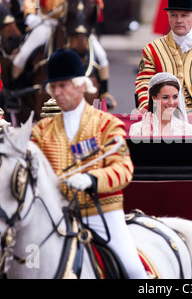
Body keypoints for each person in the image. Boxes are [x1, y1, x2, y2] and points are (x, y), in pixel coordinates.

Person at [31, 48, 147, 279]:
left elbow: (124, 169)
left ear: (81, 85)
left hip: (101, 214)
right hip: (54, 217)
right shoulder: (41, 130)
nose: (57, 92)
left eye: (63, 85)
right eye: (53, 87)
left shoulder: (107, 124)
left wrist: (92, 179)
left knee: (133, 271)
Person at [12, 0, 109, 95]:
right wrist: (30, 13)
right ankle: (14, 94)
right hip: (48, 22)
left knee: (102, 57)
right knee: (22, 56)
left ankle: (104, 94)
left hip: (74, 26)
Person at [130, 72, 192, 137]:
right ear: (154, 98)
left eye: (175, 97)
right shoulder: (137, 129)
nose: (171, 102)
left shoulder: (188, 129)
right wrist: (146, 137)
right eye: (165, 97)